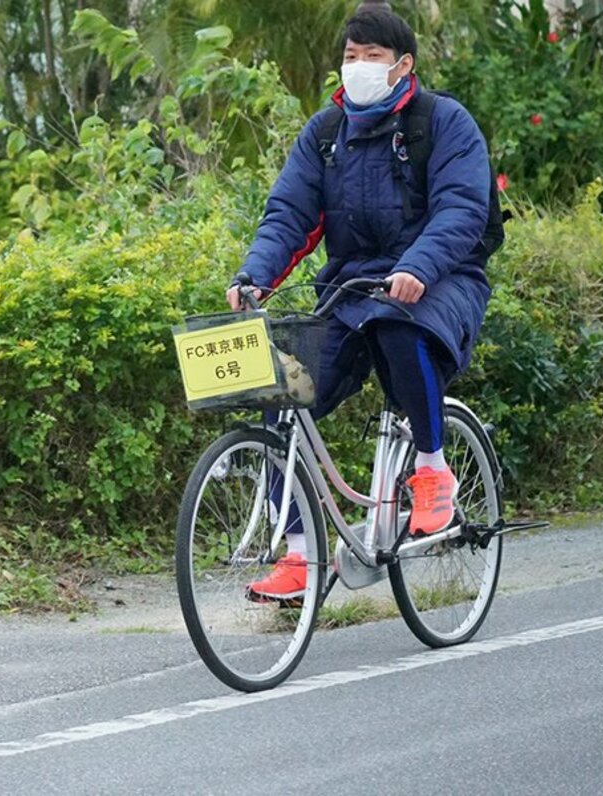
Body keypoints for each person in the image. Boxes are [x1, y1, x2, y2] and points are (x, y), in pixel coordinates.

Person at [229, 9, 493, 602]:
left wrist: (416, 268)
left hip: (442, 276)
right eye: (350, 56)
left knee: (400, 329)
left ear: (404, 66)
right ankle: (301, 558)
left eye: (370, 56)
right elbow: (290, 215)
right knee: (282, 396)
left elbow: (462, 211)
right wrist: (254, 277)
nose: (357, 67)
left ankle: (431, 469)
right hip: (352, 286)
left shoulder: (444, 123)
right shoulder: (326, 134)